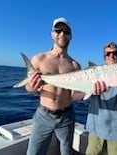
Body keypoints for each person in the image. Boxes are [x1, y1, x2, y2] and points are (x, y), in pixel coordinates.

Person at [25, 17, 106, 155]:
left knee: (66, 153)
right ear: (52, 34)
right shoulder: (39, 59)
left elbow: (74, 95)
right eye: (58, 30)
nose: (62, 34)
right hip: (43, 116)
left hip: (66, 117)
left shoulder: (75, 65)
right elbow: (29, 88)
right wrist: (32, 86)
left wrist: (92, 90)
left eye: (66, 31)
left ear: (71, 36)